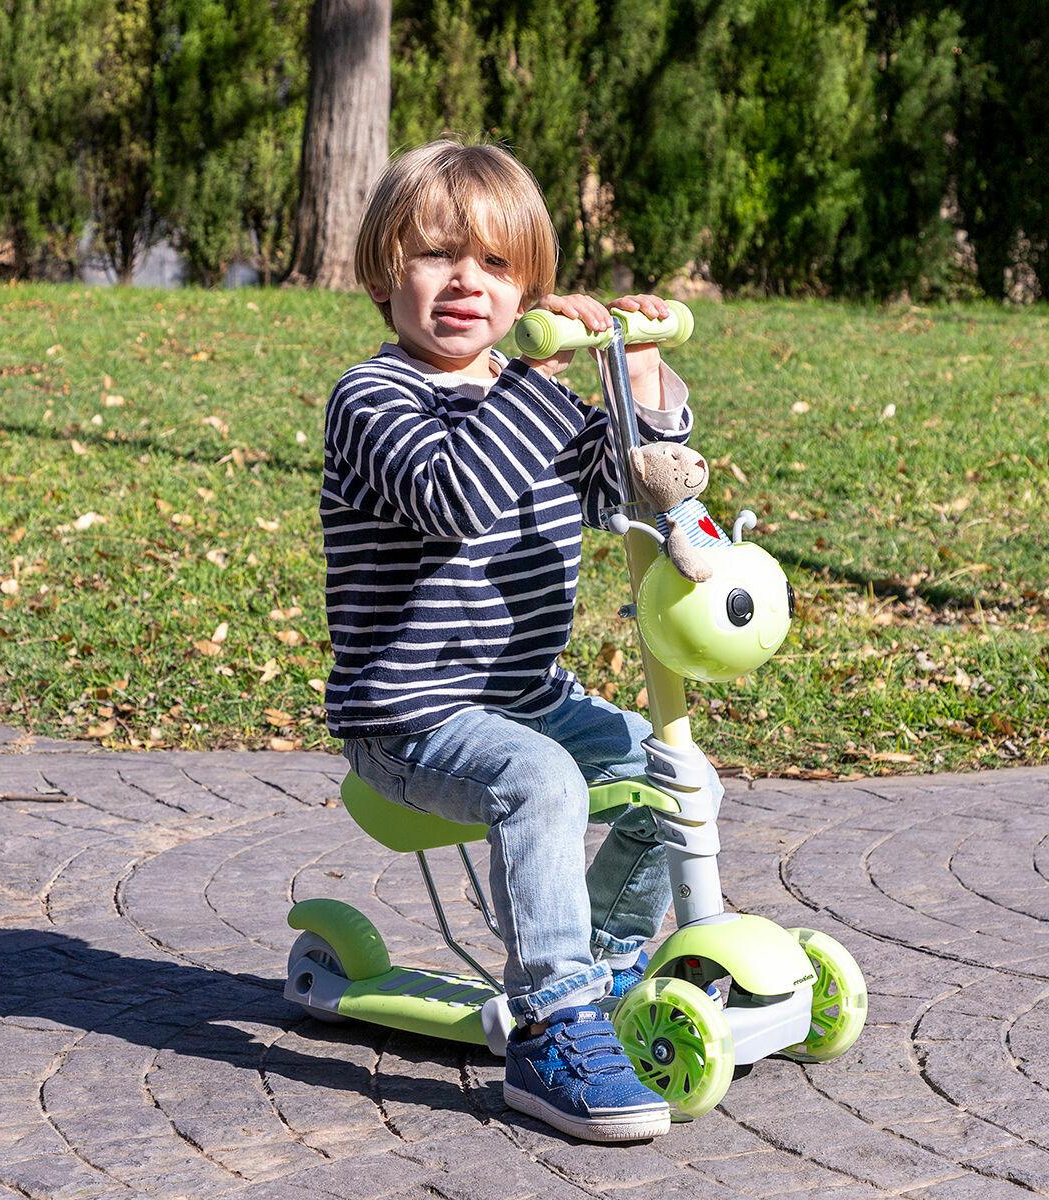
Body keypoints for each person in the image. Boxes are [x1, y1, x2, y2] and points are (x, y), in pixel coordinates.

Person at [322, 138, 723, 1142]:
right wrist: (539, 375)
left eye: (497, 265)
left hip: (529, 694)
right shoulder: (374, 400)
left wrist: (644, 376)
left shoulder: (526, 397)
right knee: (541, 781)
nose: (467, 281)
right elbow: (454, 498)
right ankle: (550, 1025)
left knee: (672, 772)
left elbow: (626, 485)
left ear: (528, 285)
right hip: (411, 716)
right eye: (437, 256)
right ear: (386, 273)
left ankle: (606, 955)